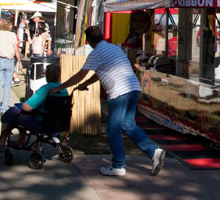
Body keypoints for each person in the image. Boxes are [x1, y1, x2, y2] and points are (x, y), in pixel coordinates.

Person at [50, 26, 165, 177]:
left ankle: (118, 165)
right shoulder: (113, 48)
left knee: (112, 130)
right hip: (134, 88)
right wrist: (85, 85)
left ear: (89, 41)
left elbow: (80, 75)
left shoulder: (96, 53)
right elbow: (99, 73)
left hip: (119, 93)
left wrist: (60, 87)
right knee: (128, 124)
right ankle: (153, 151)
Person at [0, 63, 69, 151]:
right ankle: (20, 140)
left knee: (12, 112)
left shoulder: (45, 89)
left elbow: (27, 107)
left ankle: (1, 143)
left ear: (47, 75)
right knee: (20, 113)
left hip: (41, 123)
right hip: (59, 124)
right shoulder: (64, 90)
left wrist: (22, 105)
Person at [0, 18, 22, 116]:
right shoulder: (12, 35)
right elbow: (16, 49)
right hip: (9, 60)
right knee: (7, 85)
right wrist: (19, 61)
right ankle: (5, 107)